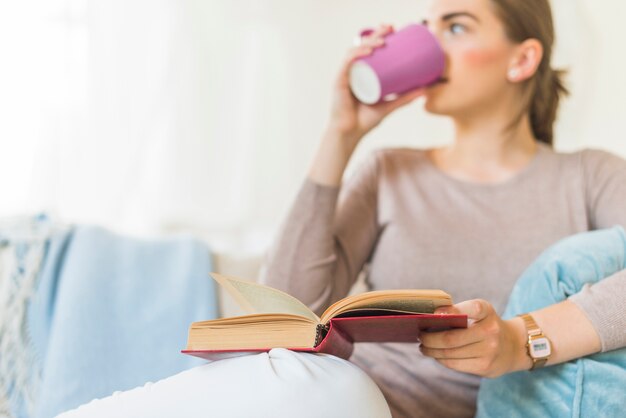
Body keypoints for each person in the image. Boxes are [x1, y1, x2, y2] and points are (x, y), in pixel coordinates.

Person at [260, 0, 626, 417]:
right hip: (363, 403)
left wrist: (519, 341)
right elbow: (285, 315)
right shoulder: (388, 172)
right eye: (425, 27)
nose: (430, 44)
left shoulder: (590, 177)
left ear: (522, 59)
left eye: (455, 28)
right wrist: (341, 135)